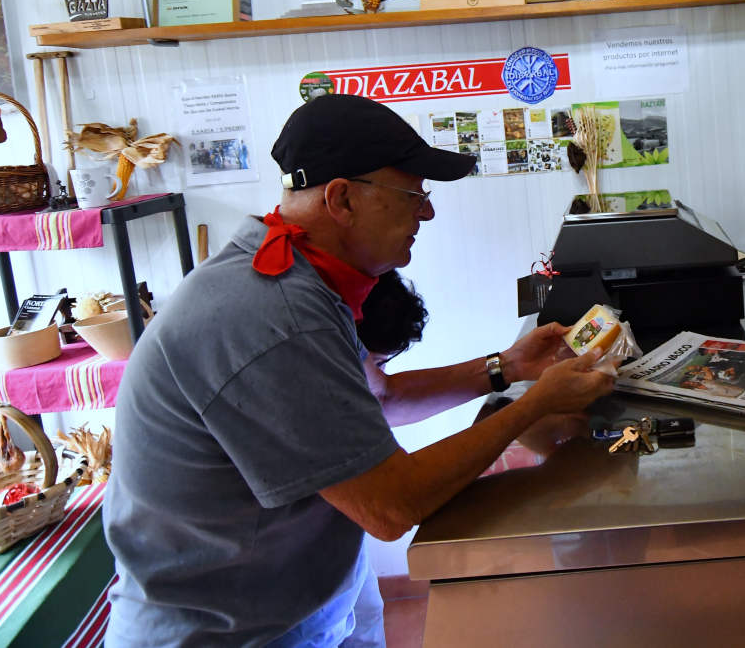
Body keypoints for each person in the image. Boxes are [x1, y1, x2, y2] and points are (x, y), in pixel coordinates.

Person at [103, 94, 615, 647]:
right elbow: (390, 506)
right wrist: (536, 403)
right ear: (341, 199)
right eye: (412, 195)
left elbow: (381, 400)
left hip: (302, 604)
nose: (427, 213)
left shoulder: (300, 279)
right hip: (226, 633)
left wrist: (507, 367)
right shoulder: (272, 312)